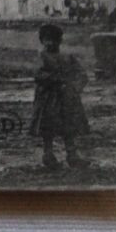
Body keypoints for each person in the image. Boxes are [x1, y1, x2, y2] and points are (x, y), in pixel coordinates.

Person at [31, 23, 91, 169]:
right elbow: (38, 75)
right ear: (42, 41)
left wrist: (75, 88)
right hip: (48, 99)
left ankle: (72, 155)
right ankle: (48, 155)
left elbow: (82, 74)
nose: (50, 43)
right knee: (48, 128)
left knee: (69, 126)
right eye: (46, 39)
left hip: (67, 99)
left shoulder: (68, 57)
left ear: (60, 41)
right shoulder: (41, 57)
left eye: (53, 39)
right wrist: (55, 80)